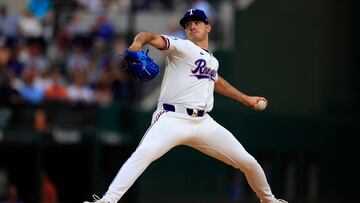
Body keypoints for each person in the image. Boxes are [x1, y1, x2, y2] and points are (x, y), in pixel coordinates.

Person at [84, 9, 287, 203]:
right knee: (142, 155)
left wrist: (246, 99)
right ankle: (108, 200)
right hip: (172, 119)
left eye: (197, 23)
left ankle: (269, 200)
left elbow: (216, 81)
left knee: (248, 162)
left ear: (208, 27)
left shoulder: (212, 61)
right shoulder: (181, 47)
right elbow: (149, 36)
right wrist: (138, 42)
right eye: (188, 25)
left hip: (203, 122)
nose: (192, 27)